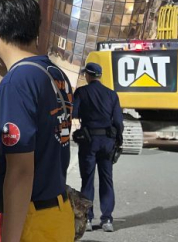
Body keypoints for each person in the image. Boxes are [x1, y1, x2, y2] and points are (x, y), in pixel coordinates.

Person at [0, 0, 75, 242]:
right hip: (55, 213)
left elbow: (21, 170)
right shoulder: (53, 73)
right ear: (36, 32)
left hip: (28, 221)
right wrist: (4, 75)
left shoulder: (19, 82)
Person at [72, 62, 123, 233]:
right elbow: (118, 122)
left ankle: (87, 219)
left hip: (88, 141)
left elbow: (75, 113)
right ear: (99, 76)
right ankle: (107, 219)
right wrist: (118, 140)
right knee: (106, 179)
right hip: (107, 142)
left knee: (87, 180)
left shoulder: (82, 92)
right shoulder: (112, 94)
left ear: (87, 75)